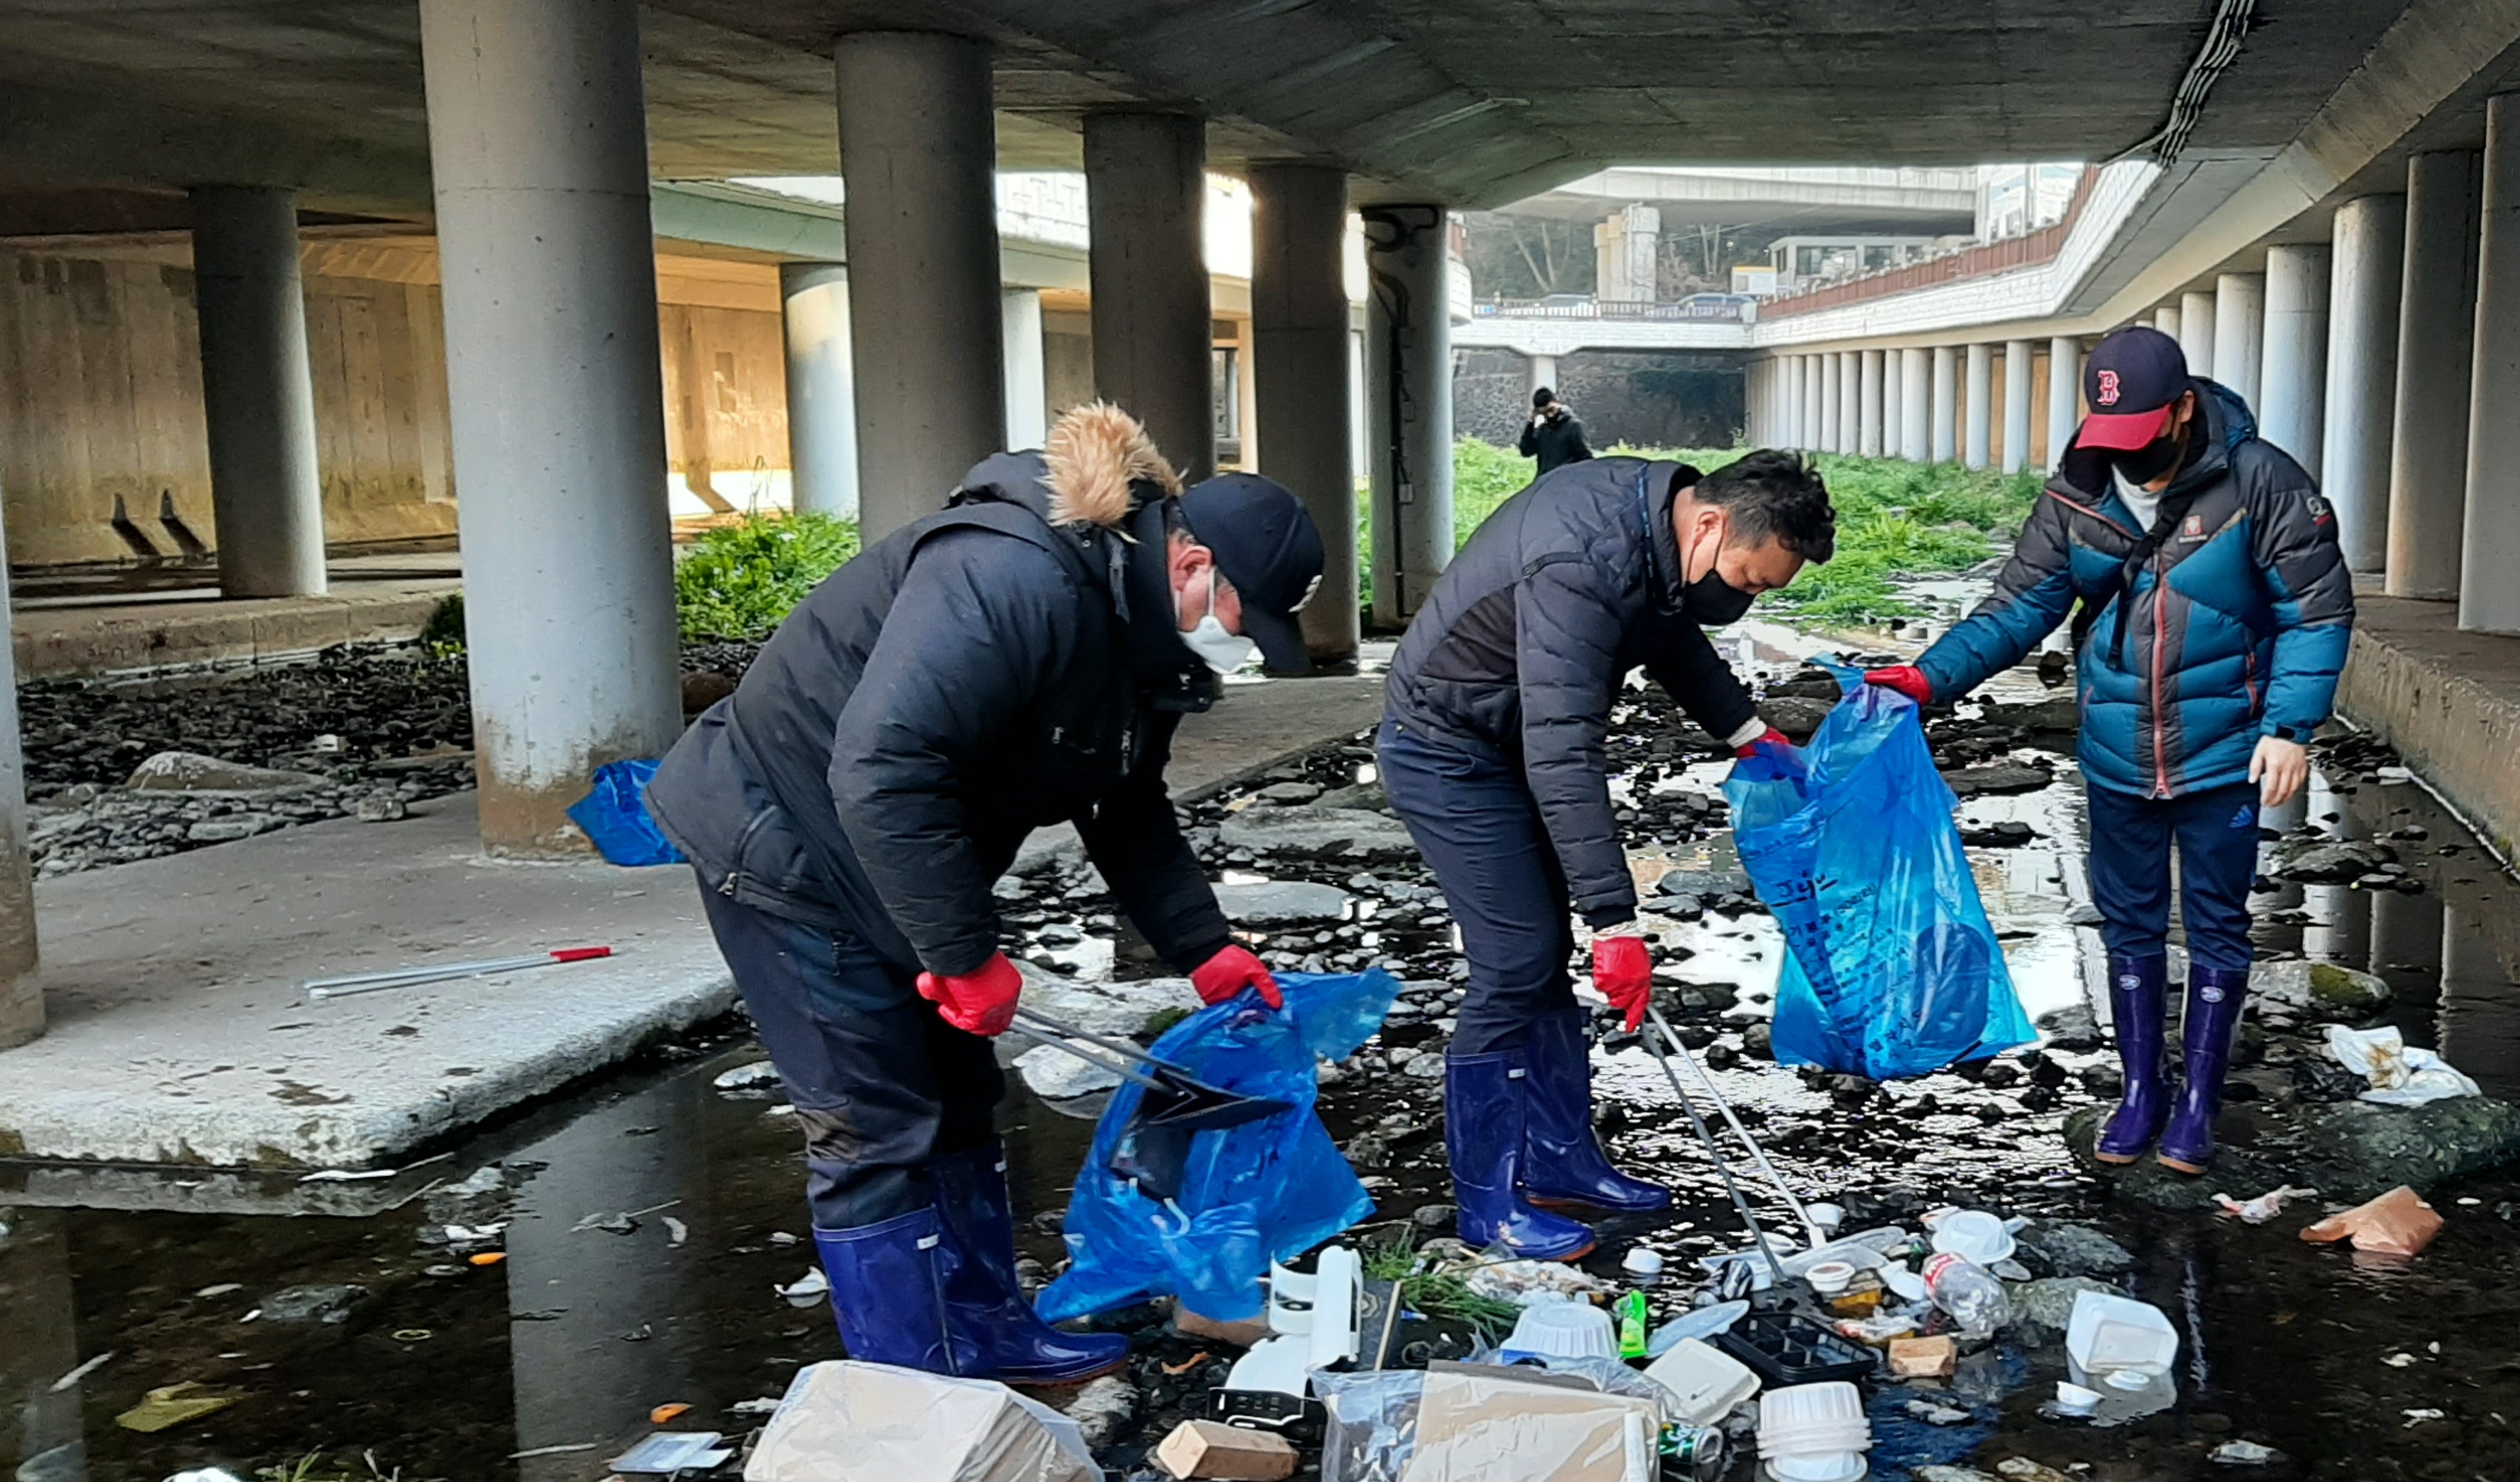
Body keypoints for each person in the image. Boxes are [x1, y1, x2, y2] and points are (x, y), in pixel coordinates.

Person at [647, 403, 1325, 1381]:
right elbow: (881, 764)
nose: (1244, 646)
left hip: (893, 851)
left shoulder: (1141, 641)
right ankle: (909, 1397)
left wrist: (1204, 948)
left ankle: (989, 1334)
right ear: (1189, 564)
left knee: (961, 1093)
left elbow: (1125, 805)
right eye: (1241, 619)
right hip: (782, 836)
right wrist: (963, 955)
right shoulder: (1011, 573)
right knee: (875, 1122)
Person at [1863, 326, 2348, 1175]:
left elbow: (2316, 609)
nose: (2129, 457)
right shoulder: (2079, 490)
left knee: (2217, 923)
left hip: (2226, 747)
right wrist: (1927, 680)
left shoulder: (2262, 479)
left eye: (2143, 436)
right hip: (2116, 750)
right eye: (2111, 435)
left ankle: (2197, 1103)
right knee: (2126, 921)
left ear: (2184, 408)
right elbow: (2019, 607)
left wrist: (2289, 727)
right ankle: (2140, 1091)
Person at [1381, 450, 1836, 1260]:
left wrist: (1748, 733)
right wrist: (1615, 920)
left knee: (1542, 952)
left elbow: (1671, 638)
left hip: (1509, 735)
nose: (1742, 598)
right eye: (1748, 578)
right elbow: (1563, 747)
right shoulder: (1581, 559)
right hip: (1447, 744)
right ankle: (1489, 1204)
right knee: (1514, 959)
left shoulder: (1657, 527)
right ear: (1711, 523)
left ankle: (1560, 1162)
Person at [1518, 386, 1593, 474]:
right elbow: (1526, 452)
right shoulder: (1543, 430)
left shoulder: (1573, 426)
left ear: (1558, 402)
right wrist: (1530, 425)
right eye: (1544, 413)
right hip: (1546, 481)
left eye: (1551, 410)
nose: (1549, 415)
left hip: (1566, 480)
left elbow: (1586, 457)